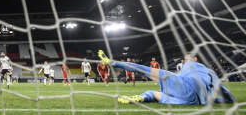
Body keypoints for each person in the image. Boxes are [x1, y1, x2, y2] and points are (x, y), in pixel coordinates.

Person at [98, 50, 236, 105]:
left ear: (195, 59)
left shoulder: (192, 66)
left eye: (186, 59)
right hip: (195, 101)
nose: (184, 61)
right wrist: (212, 100)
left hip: (185, 84)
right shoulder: (210, 72)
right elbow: (229, 97)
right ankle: (141, 97)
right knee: (154, 94)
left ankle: (111, 62)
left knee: (143, 69)